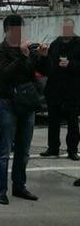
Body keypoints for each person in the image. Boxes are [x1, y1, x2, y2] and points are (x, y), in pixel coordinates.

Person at [0, 14, 48, 205]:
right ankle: (1, 190)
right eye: (16, 30)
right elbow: (2, 74)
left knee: (24, 150)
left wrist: (43, 57)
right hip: (7, 104)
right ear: (7, 31)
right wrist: (22, 56)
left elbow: (41, 72)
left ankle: (19, 186)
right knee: (4, 151)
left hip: (27, 105)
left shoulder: (27, 50)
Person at [39, 17, 80, 160]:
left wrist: (70, 64)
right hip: (54, 88)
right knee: (53, 121)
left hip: (72, 90)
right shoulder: (55, 44)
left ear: (72, 29)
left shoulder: (78, 44)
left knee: (72, 122)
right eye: (64, 28)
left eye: (68, 28)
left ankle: (72, 150)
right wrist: (44, 56)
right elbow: (46, 68)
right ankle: (53, 148)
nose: (66, 31)